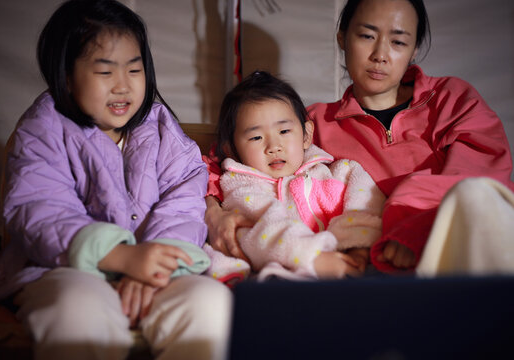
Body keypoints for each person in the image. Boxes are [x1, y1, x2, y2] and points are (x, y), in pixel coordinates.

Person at [0, 1, 231, 359]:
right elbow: (40, 210)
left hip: (156, 272)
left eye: (134, 69)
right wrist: (121, 257)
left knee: (208, 301)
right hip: (62, 269)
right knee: (76, 309)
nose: (123, 86)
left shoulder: (161, 127)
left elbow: (185, 198)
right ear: (66, 75)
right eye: (105, 71)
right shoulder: (43, 128)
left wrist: (154, 265)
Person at [204, 0, 514, 276]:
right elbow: (227, 162)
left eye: (398, 41)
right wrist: (212, 213)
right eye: (367, 36)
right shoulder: (312, 123)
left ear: (414, 49)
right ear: (342, 38)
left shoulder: (450, 98)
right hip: (374, 264)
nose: (380, 55)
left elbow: (482, 177)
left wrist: (411, 226)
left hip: (451, 238)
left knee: (477, 196)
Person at [202, 71, 385, 285]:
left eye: (284, 131)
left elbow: (365, 203)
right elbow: (258, 234)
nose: (274, 146)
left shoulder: (340, 171)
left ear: (306, 135)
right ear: (231, 150)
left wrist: (358, 246)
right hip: (285, 276)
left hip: (348, 269)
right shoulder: (242, 188)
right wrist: (314, 258)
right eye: (256, 137)